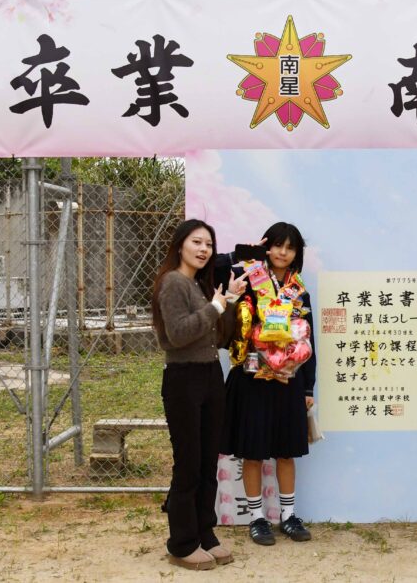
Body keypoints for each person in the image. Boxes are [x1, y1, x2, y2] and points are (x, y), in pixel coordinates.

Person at [151, 219, 247, 570]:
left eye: (209, 244)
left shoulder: (198, 285)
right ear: (180, 245)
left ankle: (204, 533)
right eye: (197, 242)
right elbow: (178, 335)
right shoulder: (173, 282)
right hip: (183, 379)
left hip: (209, 375)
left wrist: (229, 302)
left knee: (208, 462)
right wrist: (216, 307)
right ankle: (181, 543)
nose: (204, 249)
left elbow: (218, 337)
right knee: (189, 463)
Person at [220, 222, 317, 546]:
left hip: (288, 379)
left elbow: (310, 340)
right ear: (266, 248)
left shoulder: (299, 290)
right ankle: (256, 518)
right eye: (277, 245)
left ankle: (288, 516)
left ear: (297, 254)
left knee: (287, 452)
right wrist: (243, 256)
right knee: (253, 452)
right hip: (252, 378)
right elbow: (216, 273)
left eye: (290, 248)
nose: (282, 252)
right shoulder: (247, 278)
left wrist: (308, 387)